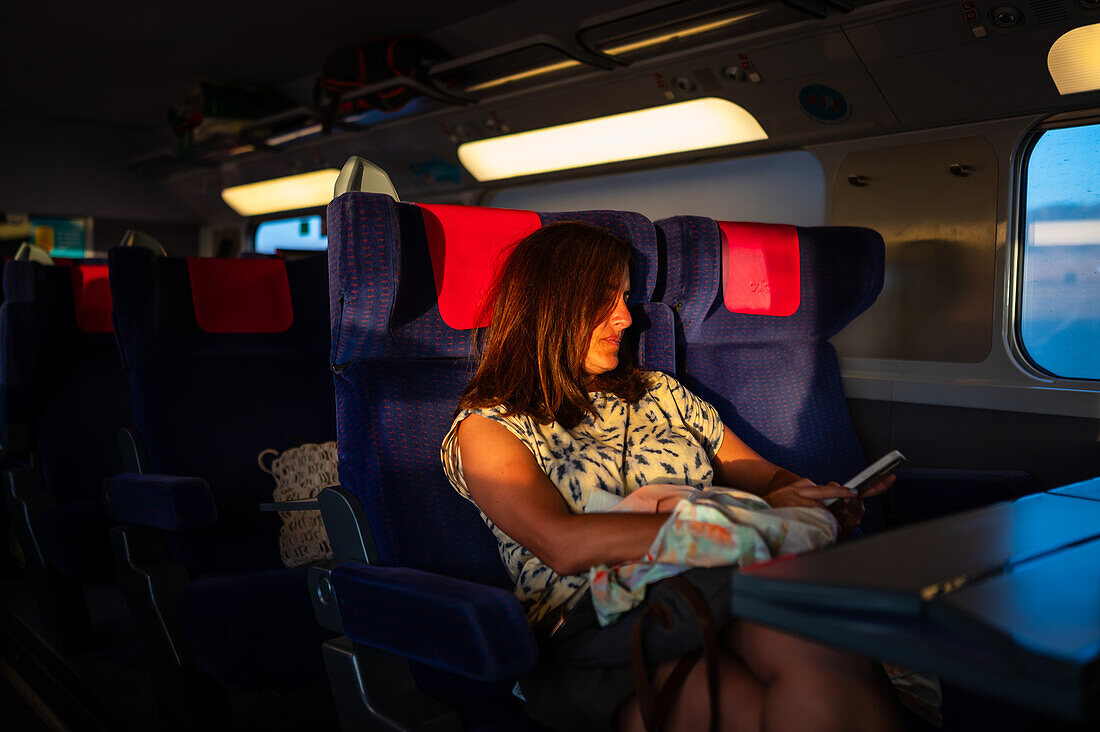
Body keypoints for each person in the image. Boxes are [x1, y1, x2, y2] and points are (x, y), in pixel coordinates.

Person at [440, 221, 900, 732]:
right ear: (551, 304)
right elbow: (561, 544)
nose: (624, 317)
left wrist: (816, 502)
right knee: (744, 705)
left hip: (719, 575)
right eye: (604, 297)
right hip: (598, 622)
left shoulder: (659, 392)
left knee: (828, 664)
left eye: (626, 297)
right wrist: (725, 532)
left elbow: (766, 481)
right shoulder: (489, 426)